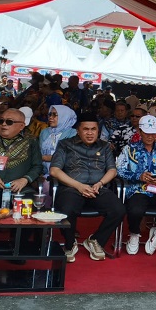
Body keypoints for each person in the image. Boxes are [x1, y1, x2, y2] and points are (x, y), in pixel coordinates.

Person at [50, 112, 124, 262]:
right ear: (78, 130)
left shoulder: (104, 146)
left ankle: (96, 240)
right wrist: (79, 186)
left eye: (93, 129)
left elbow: (112, 170)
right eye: (86, 129)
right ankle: (70, 244)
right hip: (72, 188)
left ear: (98, 131)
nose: (90, 133)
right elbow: (54, 170)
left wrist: (100, 183)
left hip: (98, 188)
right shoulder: (65, 144)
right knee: (66, 209)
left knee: (119, 210)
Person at [117, 115, 156, 255]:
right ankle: (134, 234)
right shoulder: (130, 149)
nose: (150, 136)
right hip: (138, 189)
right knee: (135, 210)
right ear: (139, 131)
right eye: (147, 133)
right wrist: (138, 176)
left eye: (153, 133)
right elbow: (120, 170)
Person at [39, 105, 77, 175]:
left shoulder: (73, 133)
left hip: (65, 174)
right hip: (44, 173)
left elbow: (69, 156)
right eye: (50, 114)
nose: (50, 117)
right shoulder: (44, 132)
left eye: (54, 115)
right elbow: (39, 153)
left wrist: (44, 158)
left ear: (64, 116)